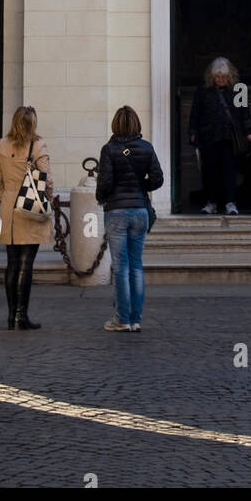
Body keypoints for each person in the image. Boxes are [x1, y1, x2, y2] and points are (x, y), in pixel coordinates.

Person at [96, 106, 163, 333]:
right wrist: (139, 187)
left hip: (116, 210)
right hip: (140, 211)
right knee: (136, 266)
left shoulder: (109, 149)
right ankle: (136, 319)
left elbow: (104, 182)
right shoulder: (146, 148)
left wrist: (103, 197)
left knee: (121, 267)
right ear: (136, 124)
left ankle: (121, 319)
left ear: (115, 124)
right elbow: (157, 179)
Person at [0, 105, 53, 330]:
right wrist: (48, 198)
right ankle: (21, 316)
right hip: (30, 204)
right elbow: (45, 178)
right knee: (27, 263)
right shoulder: (38, 145)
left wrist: (7, 196)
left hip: (9, 206)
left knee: (12, 262)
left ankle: (10, 316)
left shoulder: (1, 144)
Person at [189, 57, 251, 215]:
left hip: (229, 137)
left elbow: (245, 112)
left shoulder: (239, 89)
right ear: (212, 76)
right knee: (210, 171)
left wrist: (249, 132)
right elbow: (195, 113)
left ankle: (230, 202)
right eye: (217, 77)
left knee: (229, 171)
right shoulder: (203, 90)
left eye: (223, 77)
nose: (220, 80)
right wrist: (192, 132)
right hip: (208, 136)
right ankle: (211, 202)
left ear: (229, 76)